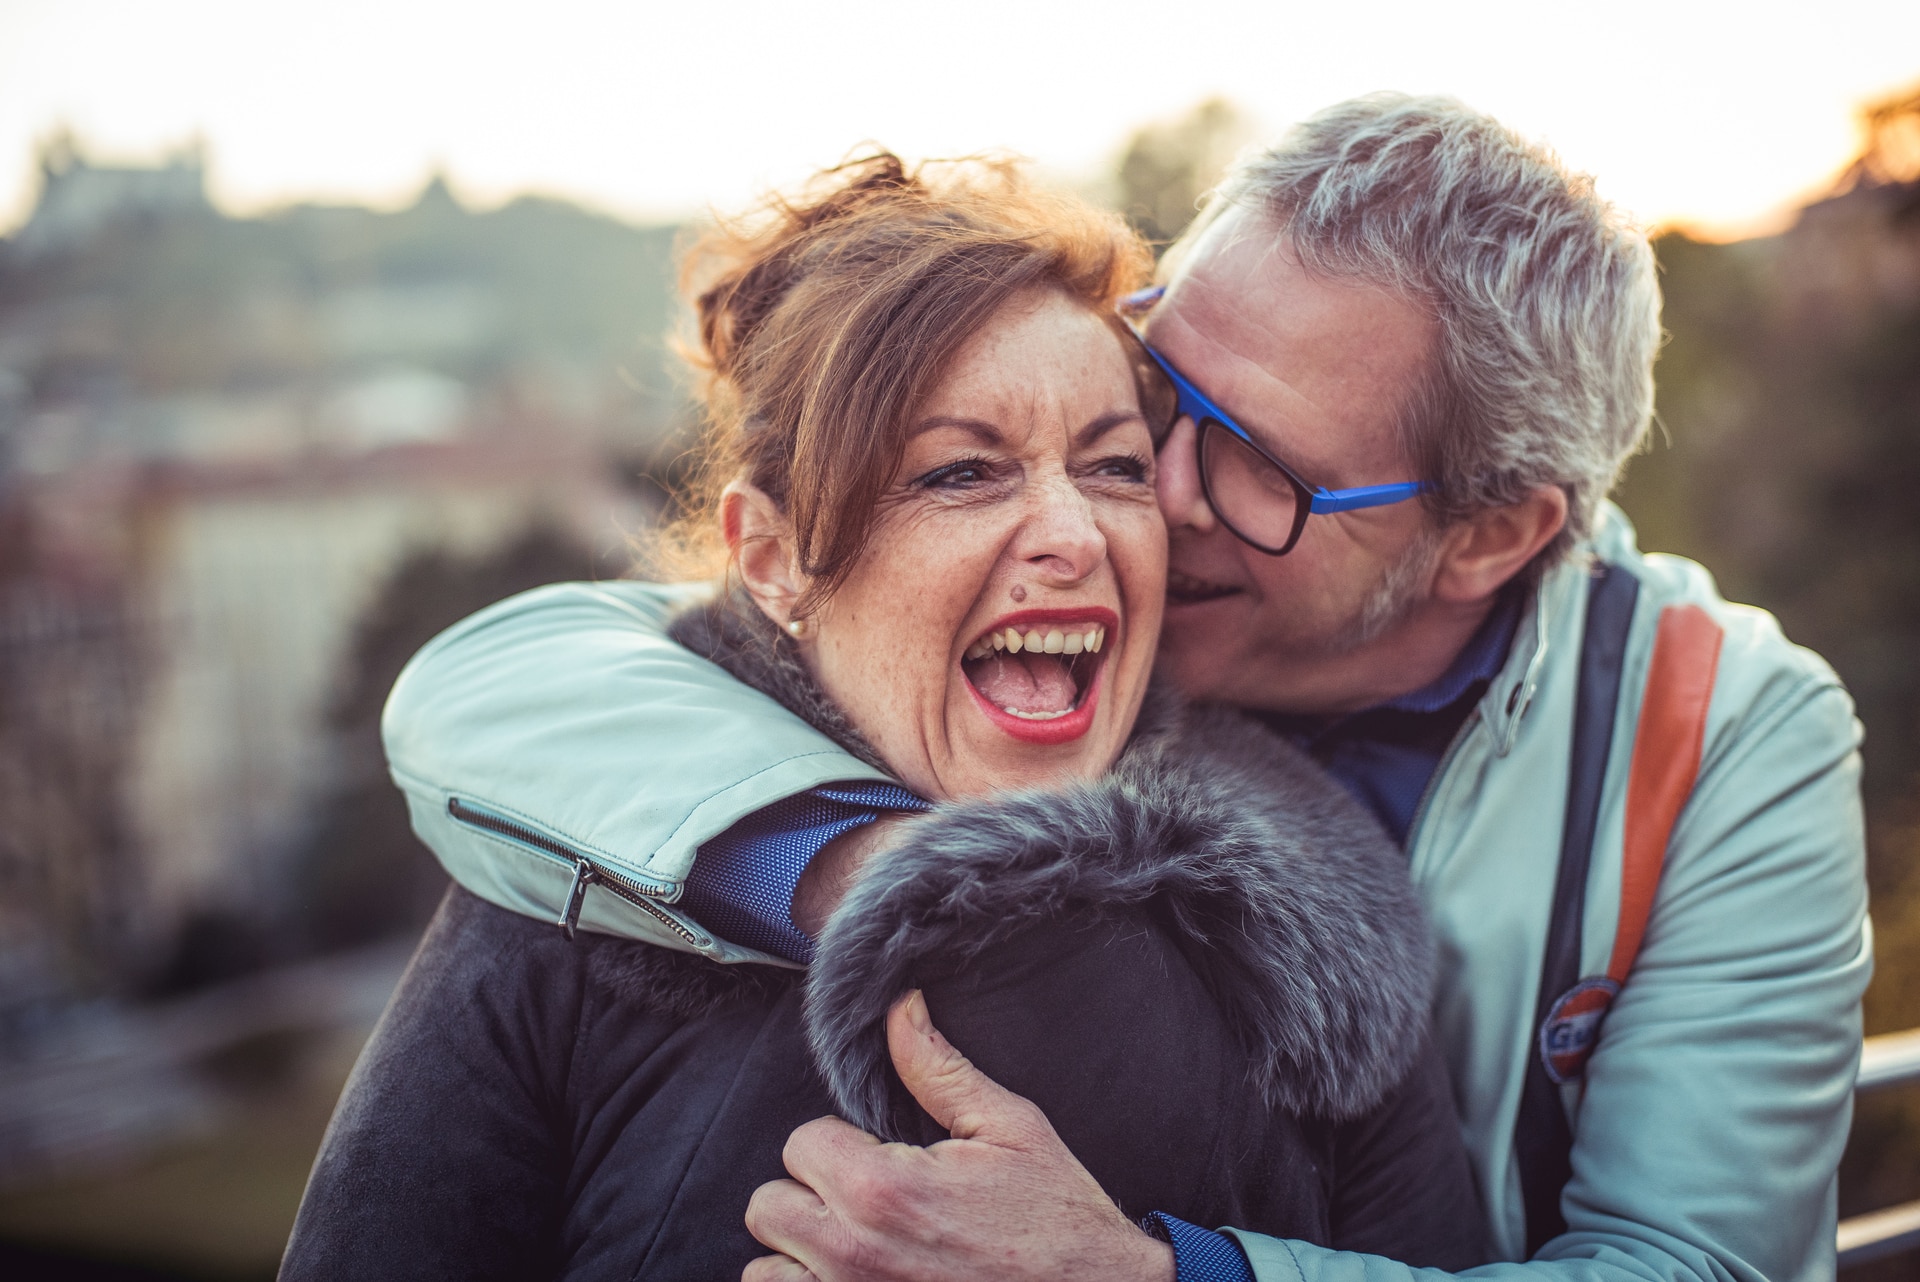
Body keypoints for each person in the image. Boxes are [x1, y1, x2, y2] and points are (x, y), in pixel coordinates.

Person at [375, 97, 1871, 1282]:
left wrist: (1162, 1276)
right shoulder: (984, 631)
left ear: (1488, 533)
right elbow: (563, 659)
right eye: (1159, 388)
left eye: (1255, 461)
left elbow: (1700, 1264)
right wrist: (865, 869)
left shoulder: (1723, 735)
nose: (1141, 493)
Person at [282, 154, 1489, 1281]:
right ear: (776, 558)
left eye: (1115, 465)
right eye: (962, 471)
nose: (1074, 534)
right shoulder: (574, 880)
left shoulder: (1325, 920)